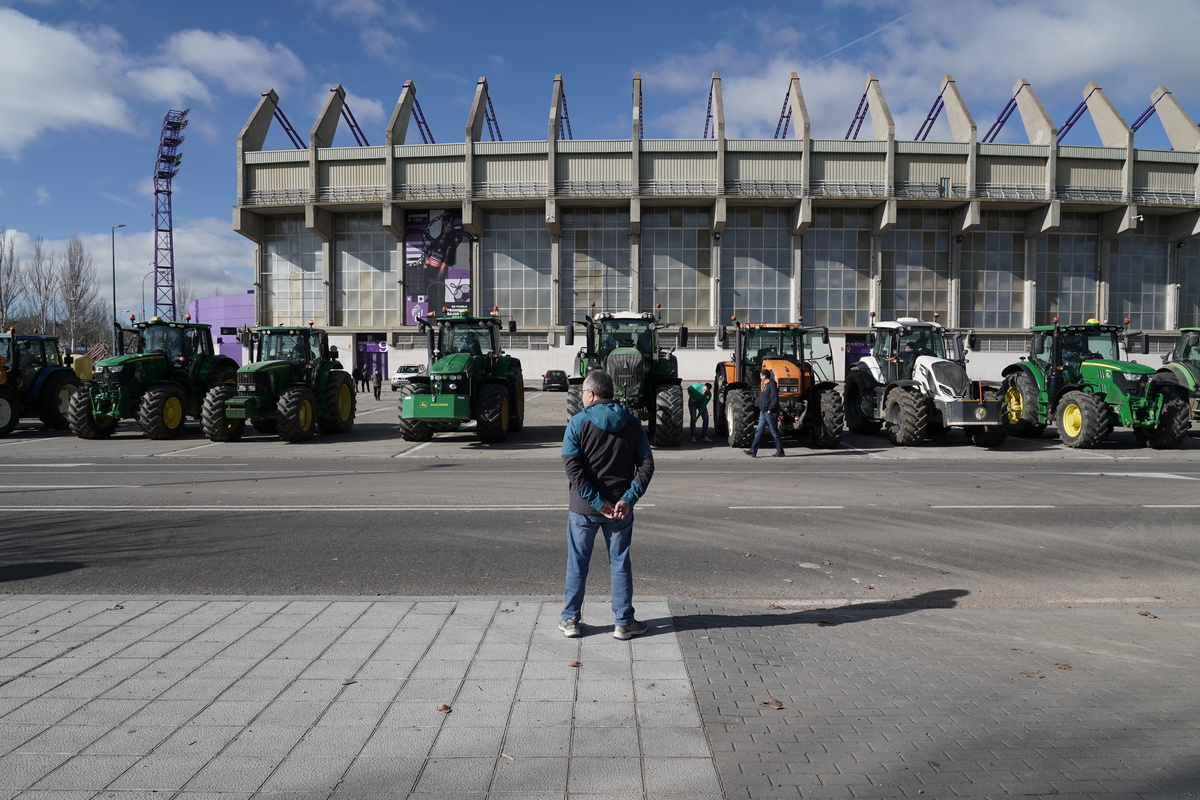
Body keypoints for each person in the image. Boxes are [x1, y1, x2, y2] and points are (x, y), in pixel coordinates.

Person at [559, 370, 655, 641]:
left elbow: (573, 469)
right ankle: (623, 622)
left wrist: (597, 502)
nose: (581, 398)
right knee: (620, 563)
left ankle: (571, 620)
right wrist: (628, 499)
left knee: (577, 563)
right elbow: (646, 465)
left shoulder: (578, 423)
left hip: (583, 510)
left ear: (590, 394)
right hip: (619, 511)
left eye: (582, 393)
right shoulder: (633, 424)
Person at [744, 368, 784, 458]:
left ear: (765, 376)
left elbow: (774, 398)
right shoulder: (765, 385)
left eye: (761, 376)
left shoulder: (772, 385)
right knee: (759, 431)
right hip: (763, 412)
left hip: (770, 412)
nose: (760, 377)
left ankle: (780, 451)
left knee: (774, 432)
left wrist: (770, 409)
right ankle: (753, 451)